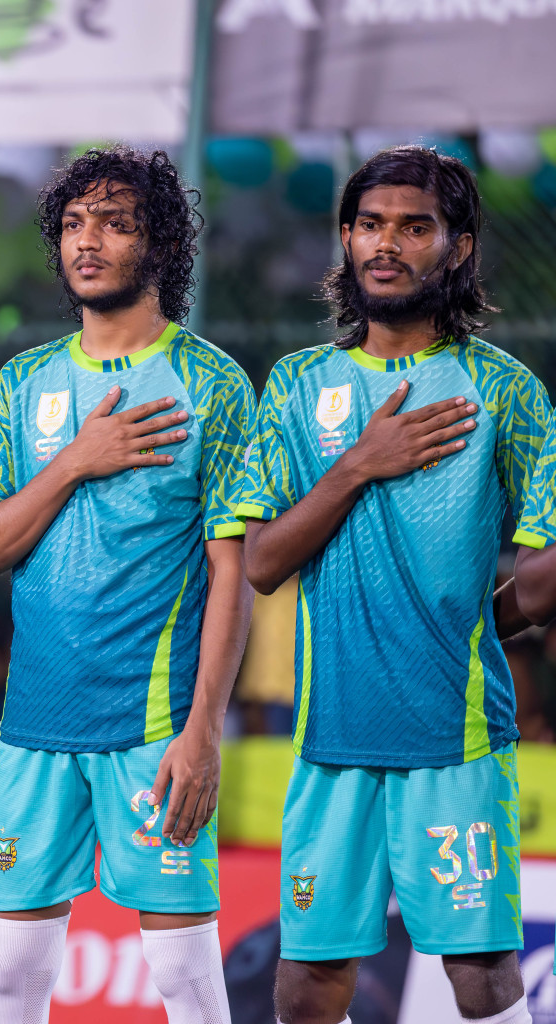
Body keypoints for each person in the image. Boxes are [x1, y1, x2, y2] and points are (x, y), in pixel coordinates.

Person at [240, 145, 546, 1024]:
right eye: (371, 225)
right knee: (307, 985)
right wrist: (358, 466)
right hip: (328, 741)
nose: (388, 243)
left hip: (456, 740)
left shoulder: (503, 390)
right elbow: (262, 563)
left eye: (415, 227)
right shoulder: (300, 384)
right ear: (345, 240)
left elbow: (545, 568)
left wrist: (473, 626)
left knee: (482, 974)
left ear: (456, 248)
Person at [0, 147, 254, 1024]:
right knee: (9, 979)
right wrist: (75, 463)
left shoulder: (213, 384)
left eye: (115, 223)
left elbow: (232, 577)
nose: (89, 241)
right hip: (34, 727)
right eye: (75, 224)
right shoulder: (25, 383)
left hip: (153, 728)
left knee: (188, 988)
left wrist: (204, 731)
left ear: (158, 246)